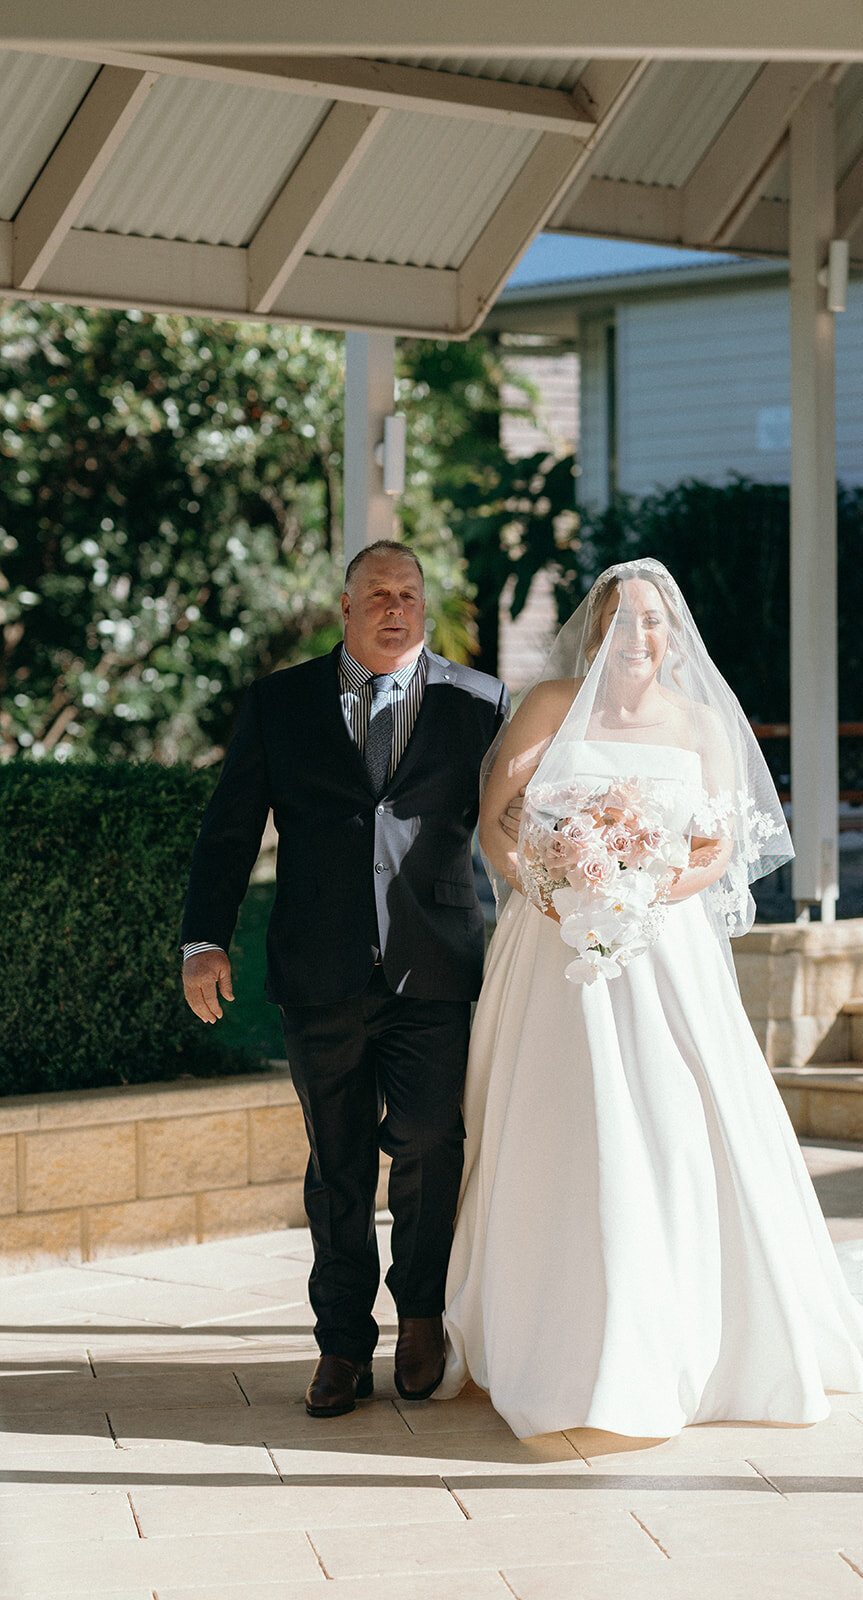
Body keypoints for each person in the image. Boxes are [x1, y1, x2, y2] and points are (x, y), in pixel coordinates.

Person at [438, 557, 863, 1440]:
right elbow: (499, 822)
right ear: (595, 630)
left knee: (676, 1118)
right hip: (552, 947)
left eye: (652, 621)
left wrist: (641, 892)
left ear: (671, 633)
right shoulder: (549, 707)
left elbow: (717, 851)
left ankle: (686, 1328)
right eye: (620, 621)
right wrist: (555, 887)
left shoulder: (697, 726)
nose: (636, 637)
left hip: (663, 946)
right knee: (559, 1120)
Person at [181, 541, 509, 1416]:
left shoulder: (479, 702)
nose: (395, 607)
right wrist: (202, 941)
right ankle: (340, 1345)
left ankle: (423, 1321)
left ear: (423, 607)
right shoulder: (280, 703)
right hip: (318, 968)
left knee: (433, 1146)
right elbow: (230, 829)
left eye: (409, 594)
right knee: (337, 1164)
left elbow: (517, 821)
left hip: (434, 965)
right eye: (378, 594)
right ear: (346, 605)